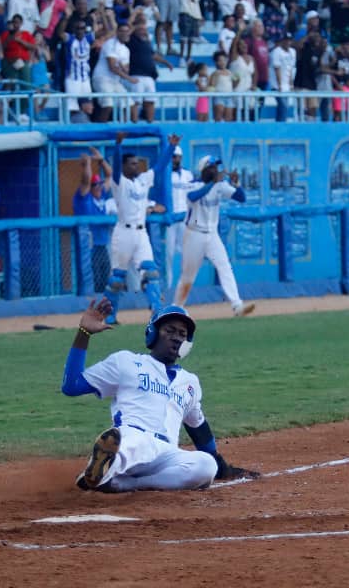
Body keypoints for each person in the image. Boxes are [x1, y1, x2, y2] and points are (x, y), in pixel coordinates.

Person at [61, 300, 260, 492]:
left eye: (182, 334)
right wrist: (84, 333)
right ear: (153, 333)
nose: (176, 337)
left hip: (166, 453)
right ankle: (102, 468)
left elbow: (199, 429)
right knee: (128, 444)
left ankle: (118, 483)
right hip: (134, 436)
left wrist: (221, 466)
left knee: (206, 466)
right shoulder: (126, 362)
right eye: (170, 330)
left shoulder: (190, 382)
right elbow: (72, 386)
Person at [101, 132, 178, 324]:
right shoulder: (119, 182)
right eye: (133, 163)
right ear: (125, 166)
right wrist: (118, 145)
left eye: (137, 163)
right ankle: (109, 315)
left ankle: (157, 311)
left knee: (151, 273)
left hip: (141, 232)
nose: (137, 165)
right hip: (123, 232)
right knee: (118, 279)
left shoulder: (143, 179)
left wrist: (170, 147)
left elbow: (159, 168)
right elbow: (116, 166)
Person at [173, 156, 255, 317]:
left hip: (212, 235)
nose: (216, 170)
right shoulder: (193, 184)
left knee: (224, 266)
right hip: (194, 234)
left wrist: (236, 183)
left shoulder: (219, 186)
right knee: (188, 276)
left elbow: (241, 198)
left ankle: (237, 305)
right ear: (204, 170)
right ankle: (176, 308)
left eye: (217, 167)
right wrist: (213, 183)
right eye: (212, 167)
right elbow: (192, 197)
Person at [72, 148, 116, 292]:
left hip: (103, 244)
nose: (98, 187)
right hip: (88, 245)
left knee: (105, 277)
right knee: (91, 278)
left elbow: (110, 175)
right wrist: (88, 165)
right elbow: (85, 181)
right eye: (95, 185)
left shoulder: (102, 195)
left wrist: (101, 160)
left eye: (99, 184)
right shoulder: (84, 197)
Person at [164, 146, 194, 293]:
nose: (175, 159)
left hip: (184, 219)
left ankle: (184, 285)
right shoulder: (165, 175)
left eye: (177, 157)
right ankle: (168, 286)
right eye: (173, 156)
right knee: (168, 254)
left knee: (185, 253)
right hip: (170, 220)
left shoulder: (188, 175)